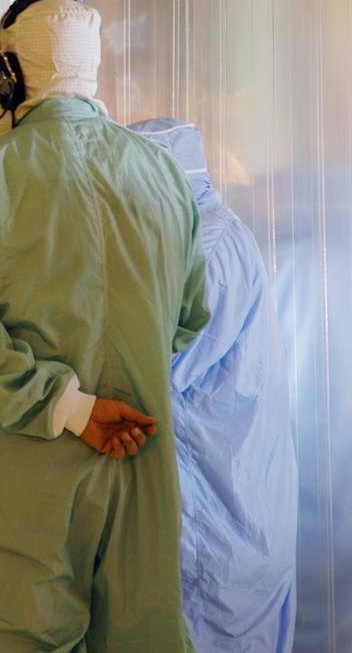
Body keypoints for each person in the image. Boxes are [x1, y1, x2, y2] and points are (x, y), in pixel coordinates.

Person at [0, 0, 210, 651]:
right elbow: (190, 318)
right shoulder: (164, 177)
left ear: (9, 74)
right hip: (141, 468)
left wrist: (74, 407)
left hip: (32, 490)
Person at [129, 118, 297, 653]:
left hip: (216, 536)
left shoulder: (205, 251)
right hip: (232, 525)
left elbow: (151, 375)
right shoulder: (200, 235)